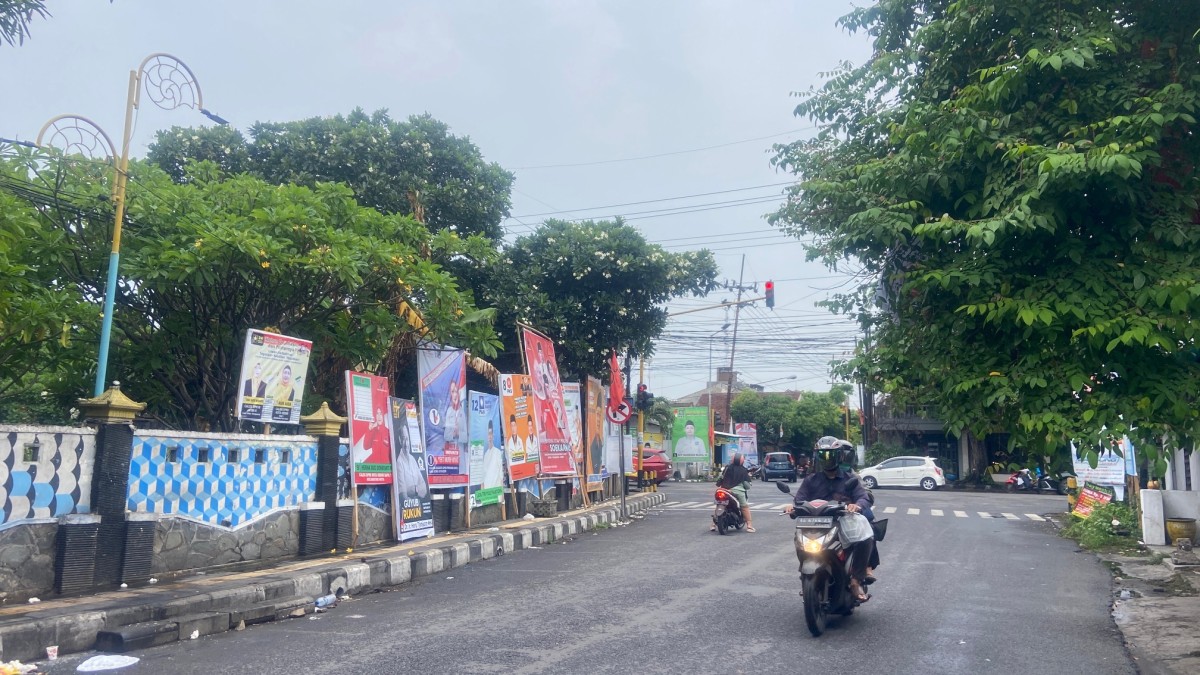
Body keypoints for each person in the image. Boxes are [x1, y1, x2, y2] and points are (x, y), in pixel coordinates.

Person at [785, 436, 877, 602]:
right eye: (822, 455)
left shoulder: (851, 479)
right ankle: (805, 577)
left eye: (831, 455)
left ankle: (856, 579)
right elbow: (799, 499)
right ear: (817, 457)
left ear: (839, 456)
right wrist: (792, 508)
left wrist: (856, 506)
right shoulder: (811, 480)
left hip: (844, 521)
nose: (827, 459)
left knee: (866, 538)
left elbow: (864, 497)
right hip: (816, 523)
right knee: (798, 540)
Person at [711, 452, 755, 533]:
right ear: (741, 461)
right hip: (737, 492)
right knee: (744, 507)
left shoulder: (727, 468)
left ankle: (713, 525)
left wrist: (720, 485)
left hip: (724, 490)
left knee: (719, 504)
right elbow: (747, 486)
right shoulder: (743, 470)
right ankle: (749, 525)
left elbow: (721, 478)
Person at [481, 420, 505, 490]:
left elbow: (501, 474)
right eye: (488, 434)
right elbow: (483, 475)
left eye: (491, 434)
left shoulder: (497, 452)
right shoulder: (485, 455)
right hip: (487, 489)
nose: (490, 436)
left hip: (496, 489)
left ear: (493, 435)